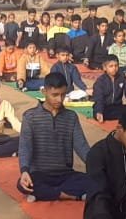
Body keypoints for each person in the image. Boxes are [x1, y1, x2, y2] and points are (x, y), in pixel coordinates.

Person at [17, 73, 94, 202]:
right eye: (55, 95)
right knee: (22, 184)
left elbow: (82, 147)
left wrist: (97, 167)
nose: (59, 99)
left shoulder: (71, 117)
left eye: (63, 94)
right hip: (39, 175)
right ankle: (69, 195)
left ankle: (49, 194)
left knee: (97, 182)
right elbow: (25, 147)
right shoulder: (30, 117)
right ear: (44, 91)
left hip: (65, 174)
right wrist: (24, 170)